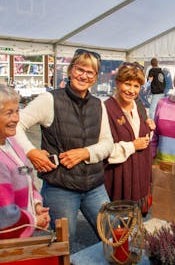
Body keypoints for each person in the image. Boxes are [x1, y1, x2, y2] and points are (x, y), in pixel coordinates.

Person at [15, 49, 114, 248]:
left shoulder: (98, 105)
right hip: (61, 188)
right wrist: (31, 152)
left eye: (90, 72)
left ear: (95, 78)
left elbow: (107, 143)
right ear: (70, 71)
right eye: (80, 69)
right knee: (63, 245)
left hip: (94, 186)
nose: (84, 75)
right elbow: (16, 124)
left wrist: (85, 153)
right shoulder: (50, 99)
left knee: (113, 235)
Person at [0, 85, 50, 239]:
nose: (16, 118)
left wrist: (36, 203)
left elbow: (27, 175)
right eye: (9, 113)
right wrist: (34, 220)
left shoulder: (12, 142)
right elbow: (5, 215)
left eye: (16, 111)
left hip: (20, 237)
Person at [104, 62, 155, 206]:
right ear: (118, 83)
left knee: (135, 221)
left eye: (136, 86)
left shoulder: (138, 106)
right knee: (118, 222)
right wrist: (132, 146)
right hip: (119, 179)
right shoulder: (106, 108)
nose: (131, 90)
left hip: (138, 177)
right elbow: (104, 150)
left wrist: (149, 129)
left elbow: (141, 137)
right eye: (127, 84)